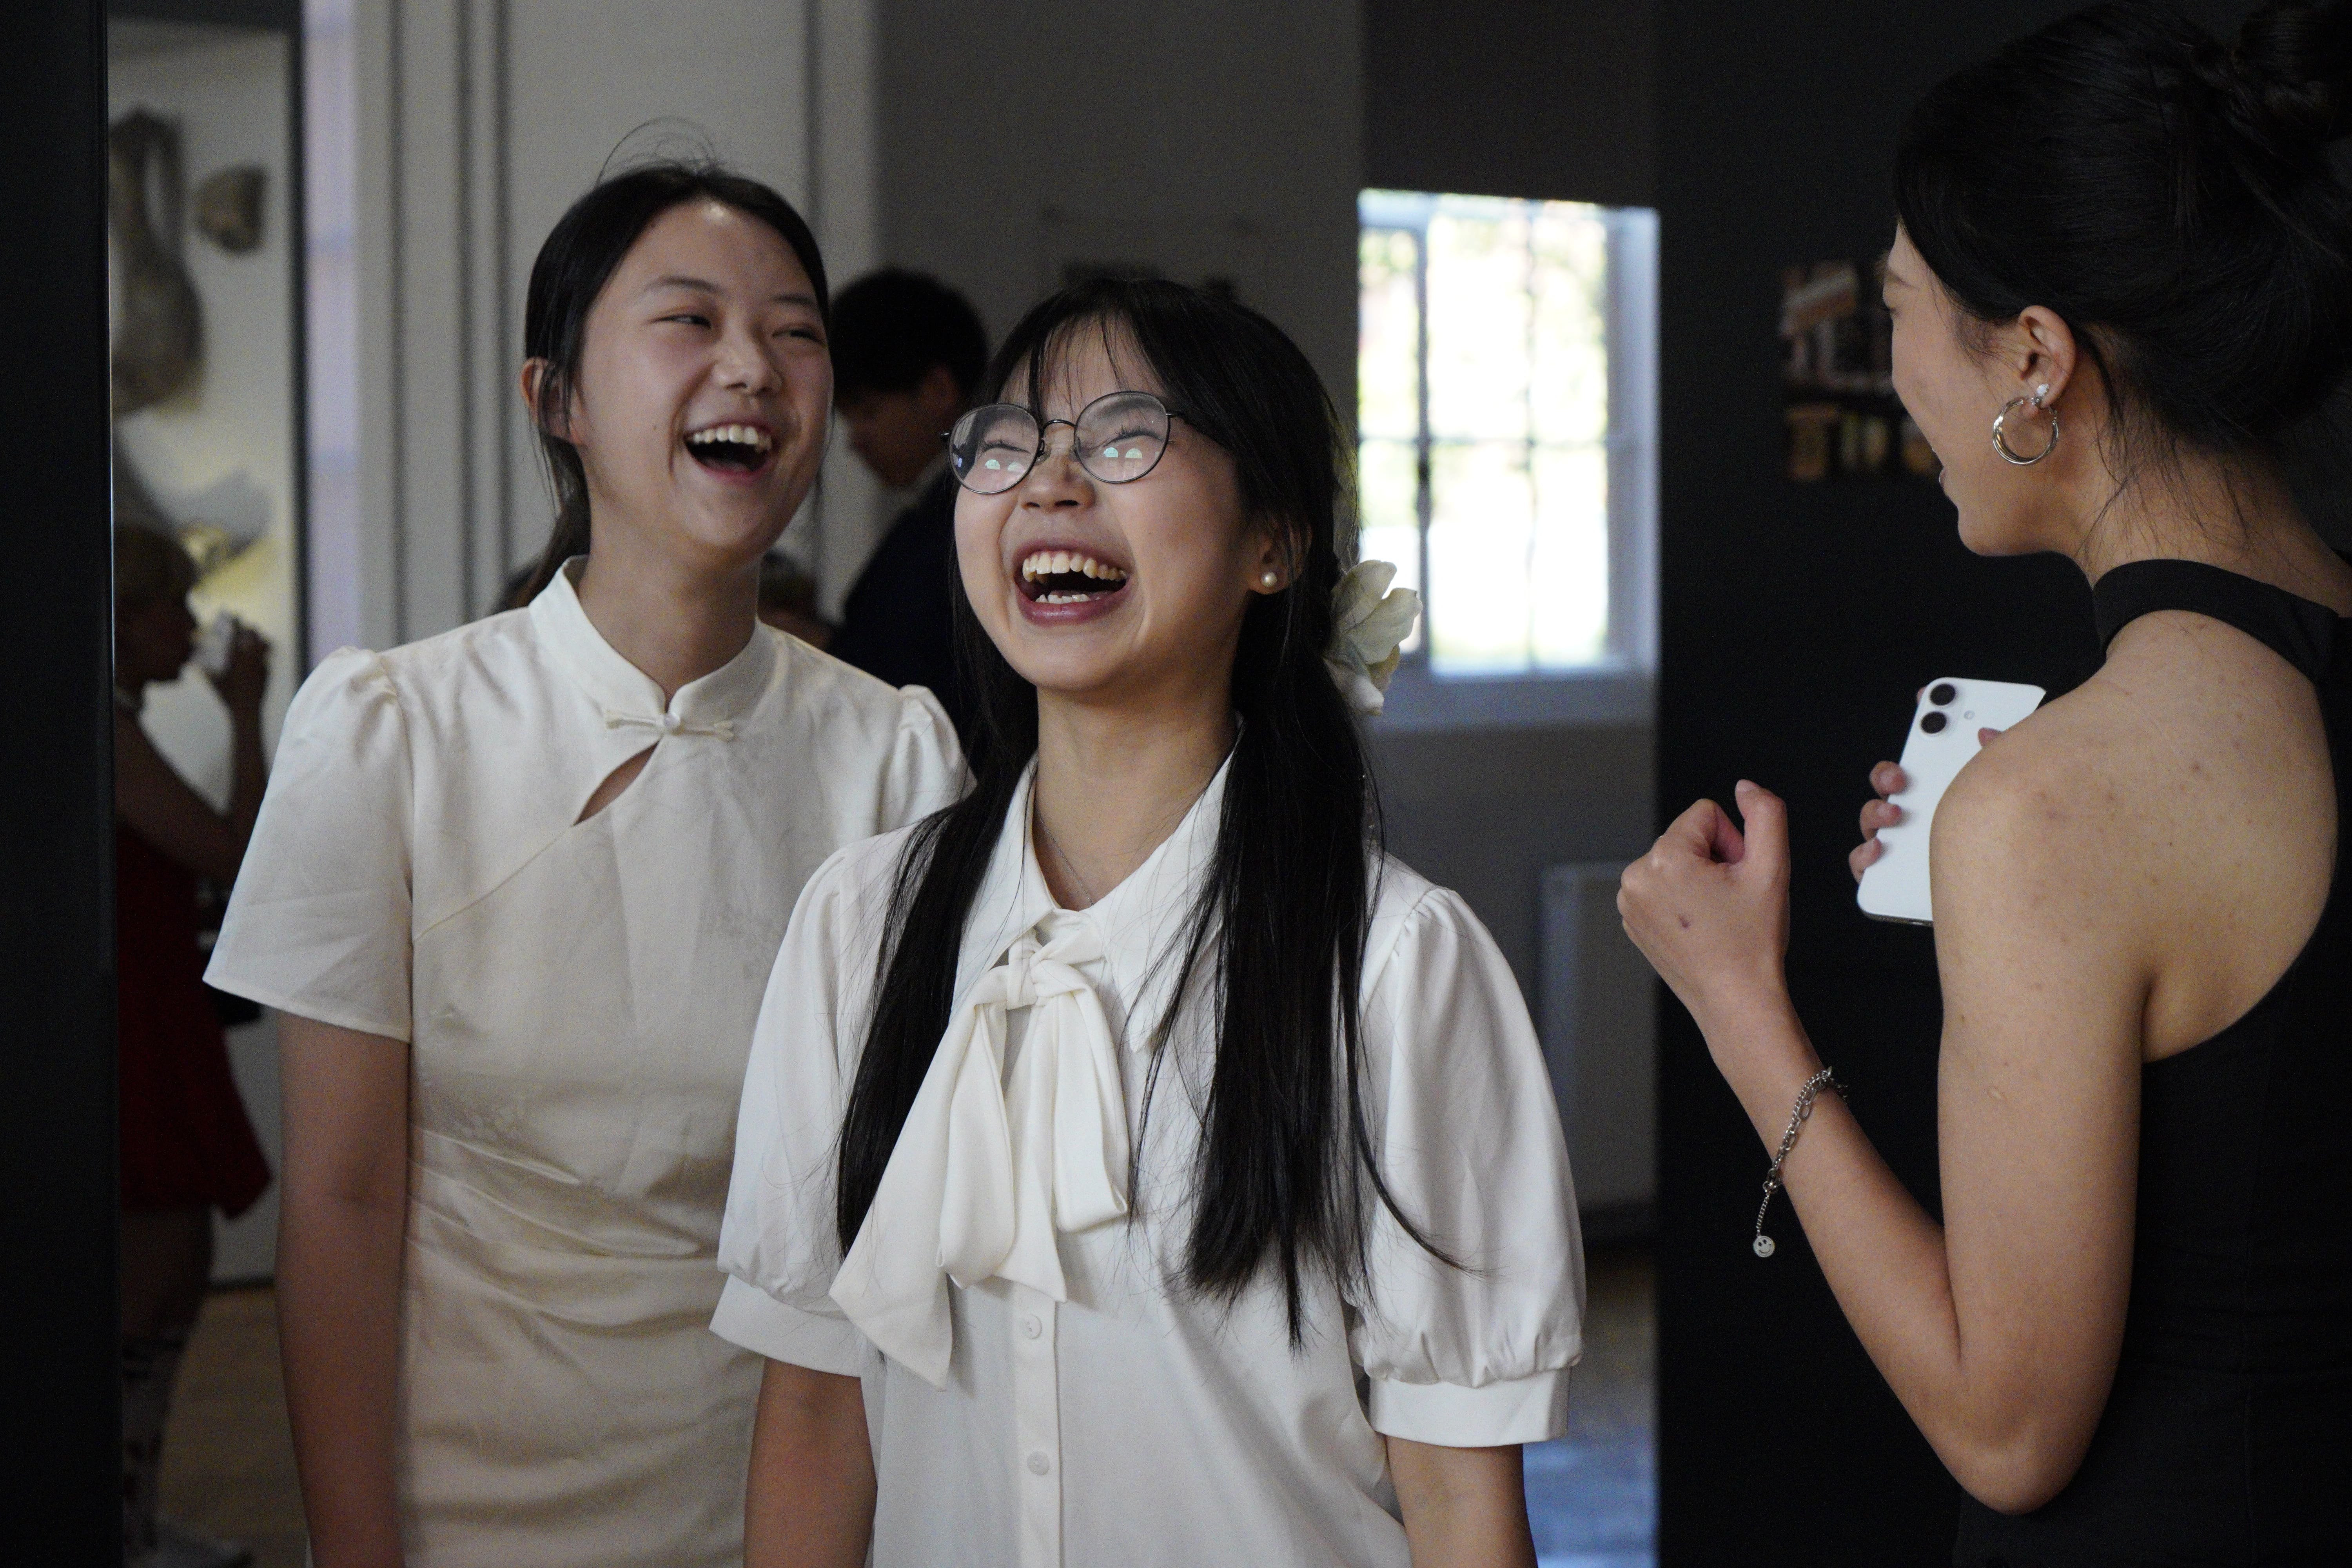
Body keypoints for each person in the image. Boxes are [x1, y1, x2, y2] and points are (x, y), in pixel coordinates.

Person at [1617, 2, 2352, 1561]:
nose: (1894, 377)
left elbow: (2007, 1429)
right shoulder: (2091, 785)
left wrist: (1739, 1002)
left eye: (1898, 310)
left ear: (2033, 356)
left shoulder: (2053, 806)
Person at [715, 278, 1584, 1568]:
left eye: (1127, 437)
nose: (1051, 483)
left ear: (1273, 542)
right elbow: (814, 1413)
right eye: (1008, 441)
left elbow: (1462, 1507)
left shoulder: (1393, 968)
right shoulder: (863, 928)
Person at [204, 163, 964, 1566]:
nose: (753, 365)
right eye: (690, 319)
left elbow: (903, 1212)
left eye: (796, 332)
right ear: (554, 397)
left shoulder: (893, 758)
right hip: (467, 1505)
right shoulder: (392, 731)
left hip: (795, 1500)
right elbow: (341, 1198)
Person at [112, 523, 273, 1568]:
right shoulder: (110, 733)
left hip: (151, 1010)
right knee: (155, 1266)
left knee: (179, 1260)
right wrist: (249, 717)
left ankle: (129, 1514)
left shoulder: (118, 727)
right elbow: (236, 854)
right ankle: (116, 1523)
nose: (187, 624)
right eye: (167, 604)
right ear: (122, 621)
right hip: (135, 1021)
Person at [824, 267, 989, 742]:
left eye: (869, 411)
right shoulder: (940, 508)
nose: (855, 440)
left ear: (937, 390)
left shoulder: (971, 519)